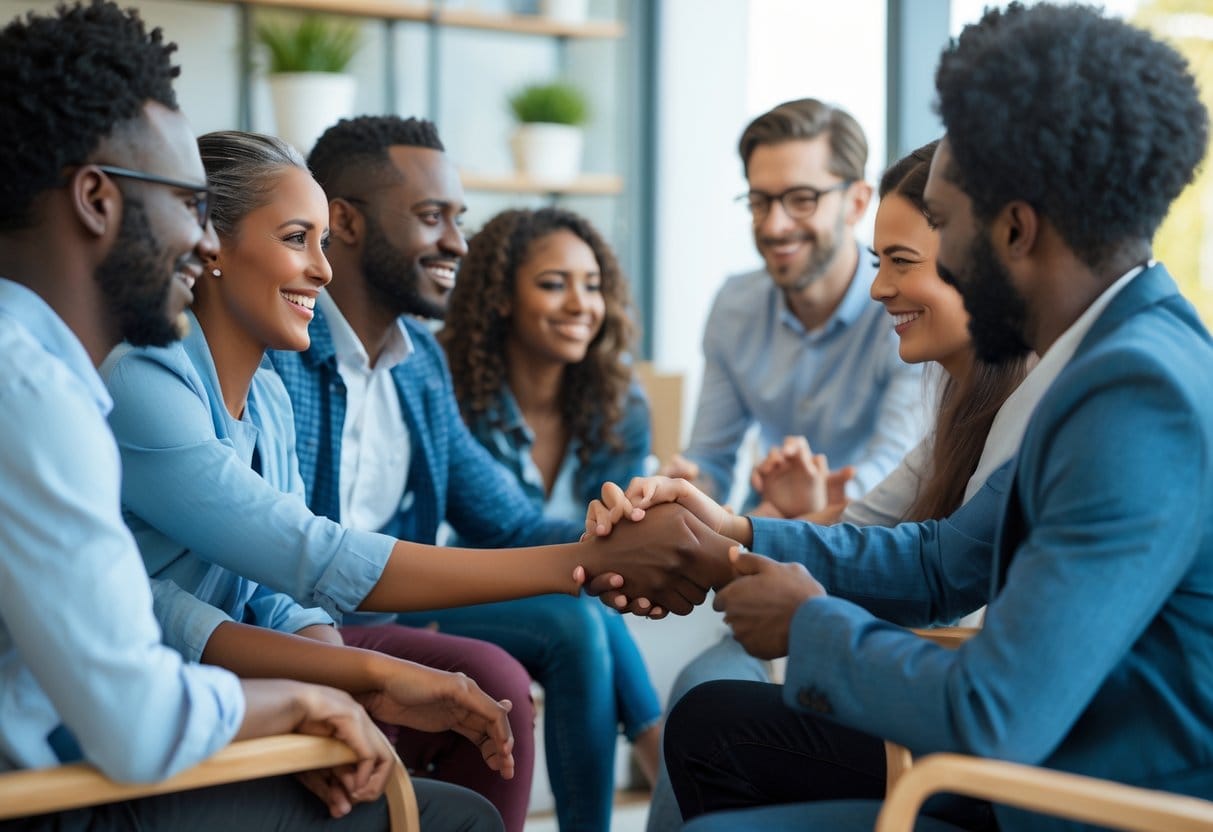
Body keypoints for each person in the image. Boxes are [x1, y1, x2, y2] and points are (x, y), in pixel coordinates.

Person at [596, 4, 1213, 830]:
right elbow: (938, 564)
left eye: (944, 228)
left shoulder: (1136, 398)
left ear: (1015, 229)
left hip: (1093, 802)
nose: (934, 264)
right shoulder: (1105, 358)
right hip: (1050, 762)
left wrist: (808, 624)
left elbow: (997, 712)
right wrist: (736, 537)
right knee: (714, 727)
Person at [0, 4, 394, 830]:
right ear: (97, 200)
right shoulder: (34, 393)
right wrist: (296, 703)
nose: (204, 242)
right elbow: (137, 725)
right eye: (187, 203)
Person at [103, 129, 521, 831]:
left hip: (223, 695)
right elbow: (305, 554)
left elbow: (279, 594)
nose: (323, 270)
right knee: (457, 815)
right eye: (299, 237)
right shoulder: (139, 377)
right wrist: (359, 683)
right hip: (145, 735)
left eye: (324, 241)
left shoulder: (268, 395)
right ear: (210, 246)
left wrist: (339, 696)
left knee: (457, 770)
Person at [267, 119, 655, 830]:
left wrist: (633, 536)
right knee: (500, 672)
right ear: (344, 222)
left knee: (560, 627)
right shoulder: (283, 352)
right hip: (299, 624)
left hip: (384, 618)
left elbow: (504, 521)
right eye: (430, 217)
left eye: (459, 219)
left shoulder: (421, 363)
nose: (457, 243)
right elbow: (279, 552)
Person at [639, 138, 1034, 831]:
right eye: (758, 200)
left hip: (985, 735)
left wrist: (754, 552)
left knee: (712, 715)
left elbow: (932, 564)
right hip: (932, 683)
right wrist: (715, 526)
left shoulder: (1046, 403)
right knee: (707, 704)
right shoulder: (960, 403)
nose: (880, 286)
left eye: (900, 263)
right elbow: (870, 533)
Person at [440, 206, 663, 787]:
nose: (580, 304)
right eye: (553, 284)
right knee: (580, 611)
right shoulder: (450, 390)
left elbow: (612, 543)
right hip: (457, 589)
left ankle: (654, 748)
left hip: (571, 596)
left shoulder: (621, 406)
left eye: (592, 286)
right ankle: (654, 742)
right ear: (502, 297)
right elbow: (501, 536)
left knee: (581, 607)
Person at [662, 98, 927, 508]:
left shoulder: (905, 310)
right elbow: (711, 460)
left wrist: (788, 516)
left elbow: (893, 478)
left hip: (868, 536)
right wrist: (681, 488)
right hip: (764, 522)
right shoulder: (735, 306)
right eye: (760, 202)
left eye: (802, 199)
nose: (774, 225)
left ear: (857, 202)